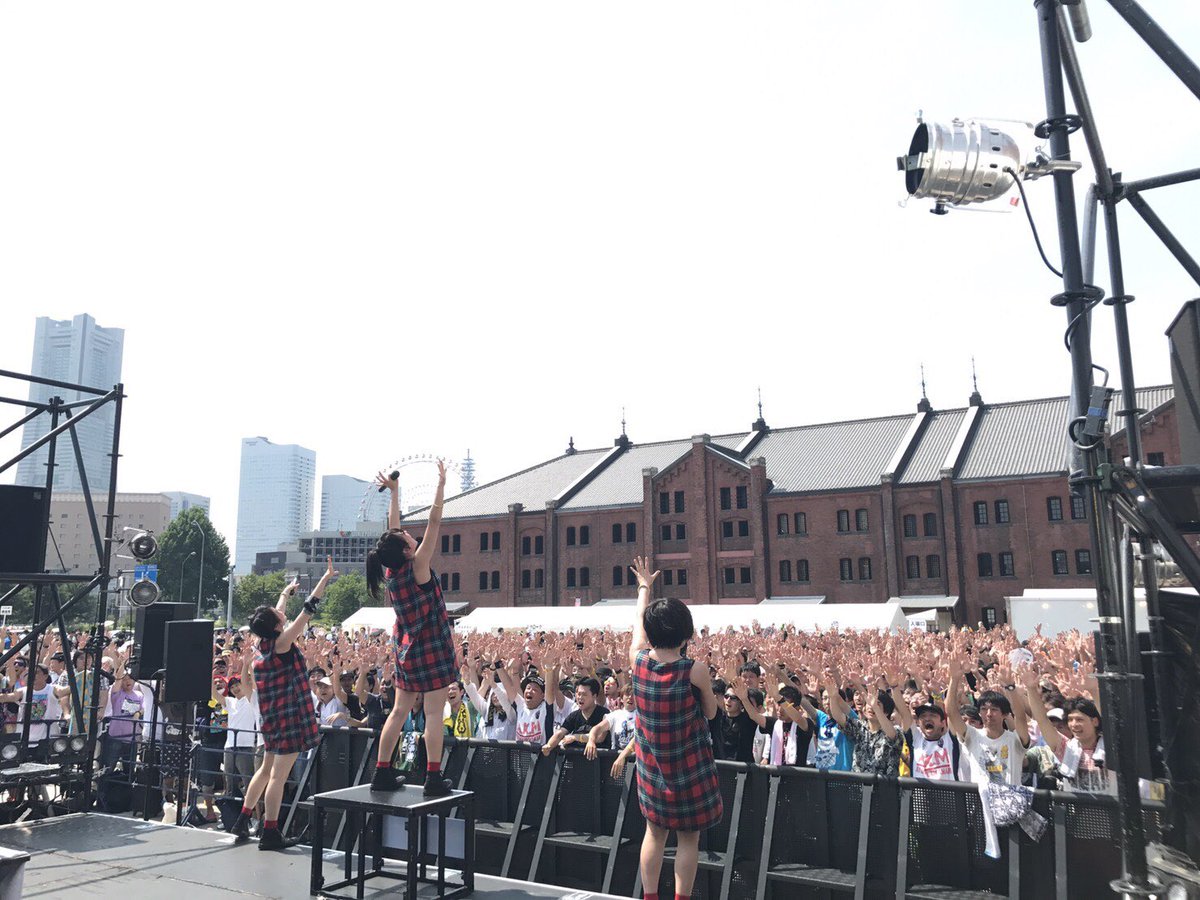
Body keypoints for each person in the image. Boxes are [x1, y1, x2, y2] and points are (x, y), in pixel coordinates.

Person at [628, 557, 722, 900]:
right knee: (688, 838)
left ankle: (650, 896)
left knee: (654, 833)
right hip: (689, 769)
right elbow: (710, 712)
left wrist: (644, 588)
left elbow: (638, 626)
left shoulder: (637, 660)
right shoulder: (693, 670)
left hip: (652, 769)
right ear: (686, 633)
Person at [228, 558, 333, 850]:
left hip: (271, 719)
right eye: (277, 614)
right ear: (276, 625)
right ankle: (270, 832)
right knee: (278, 776)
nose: (280, 612)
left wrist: (285, 594)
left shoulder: (263, 643)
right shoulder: (282, 643)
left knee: (265, 771)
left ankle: (243, 820)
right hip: (289, 718)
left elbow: (279, 613)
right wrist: (324, 579)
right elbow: (307, 611)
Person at [367, 464, 459, 797]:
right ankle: (433, 777)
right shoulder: (418, 565)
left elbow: (393, 531)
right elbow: (434, 522)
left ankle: (382, 771)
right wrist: (441, 486)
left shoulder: (391, 570)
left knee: (398, 711)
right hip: (432, 647)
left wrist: (394, 493)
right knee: (433, 713)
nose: (408, 532)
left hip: (406, 649)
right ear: (407, 549)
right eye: (406, 536)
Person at [1020, 669, 1110, 793]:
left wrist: (1094, 691)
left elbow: (1109, 722)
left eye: (1079, 719)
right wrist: (1031, 689)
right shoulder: (1066, 748)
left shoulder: (1110, 747)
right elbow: (1042, 720)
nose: (1074, 725)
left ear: (1095, 721)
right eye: (1070, 720)